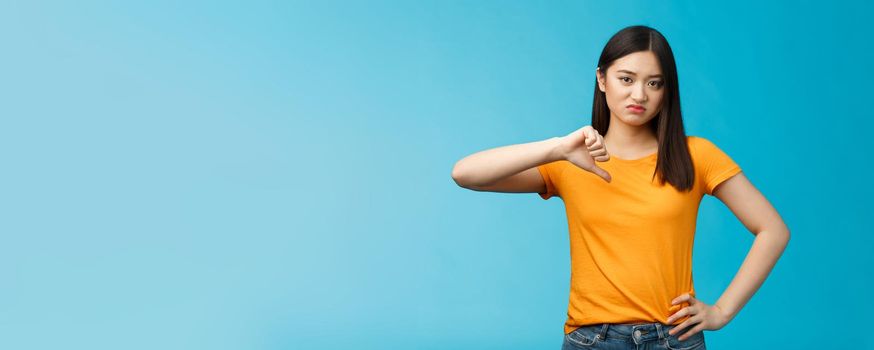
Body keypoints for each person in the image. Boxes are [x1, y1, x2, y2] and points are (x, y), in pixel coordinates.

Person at [450, 25, 790, 350]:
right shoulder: (571, 160)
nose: (639, 94)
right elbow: (466, 173)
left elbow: (773, 230)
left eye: (654, 84)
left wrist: (721, 311)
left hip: (674, 339)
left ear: (666, 90)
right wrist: (556, 148)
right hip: (592, 340)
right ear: (602, 79)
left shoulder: (696, 156)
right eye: (626, 79)